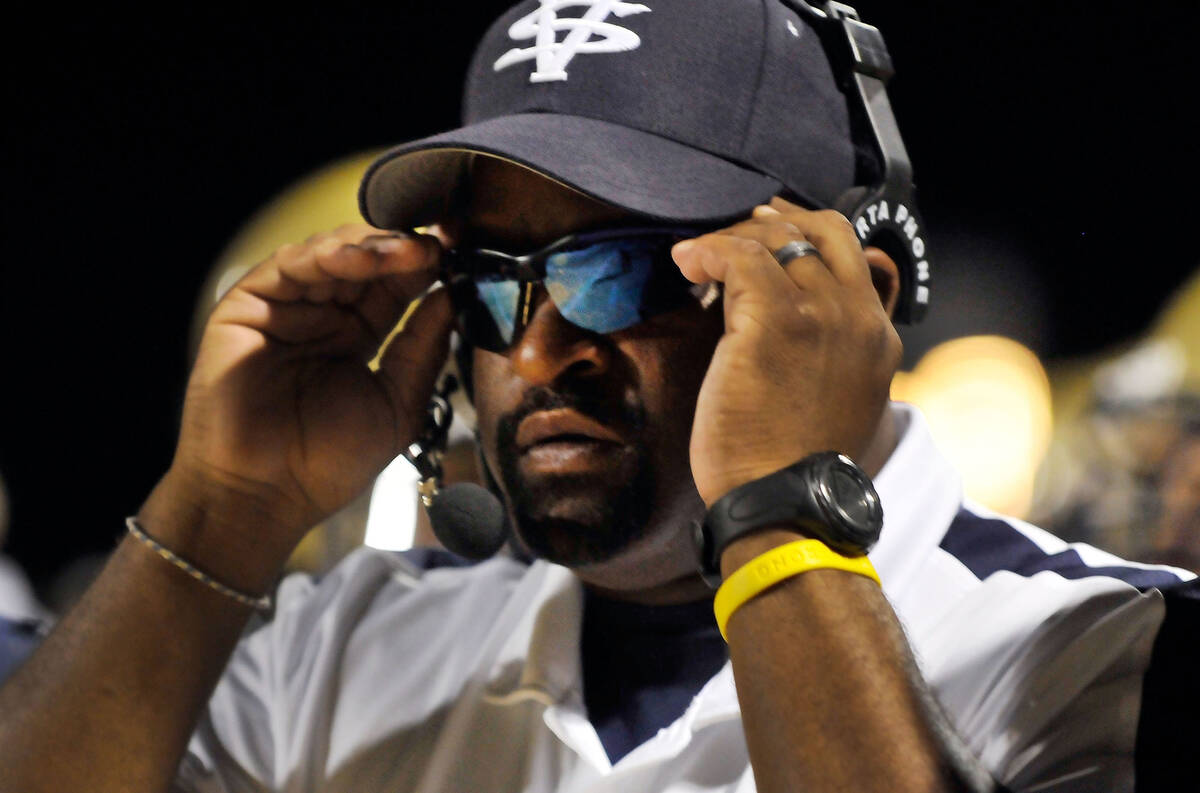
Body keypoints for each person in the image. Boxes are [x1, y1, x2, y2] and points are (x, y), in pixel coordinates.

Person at [0, 2, 1195, 791]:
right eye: (489, 283)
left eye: (620, 269)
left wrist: (780, 511)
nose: (540, 350)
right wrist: (218, 509)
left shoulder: (1106, 649)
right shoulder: (346, 647)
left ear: (853, 297)